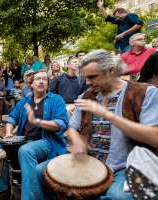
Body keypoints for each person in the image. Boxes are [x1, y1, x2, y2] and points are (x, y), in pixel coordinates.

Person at [67, 49, 158, 199]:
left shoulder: (145, 93)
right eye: (85, 78)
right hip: (89, 161)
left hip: (126, 165)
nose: (87, 82)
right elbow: (72, 128)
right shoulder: (86, 96)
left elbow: (154, 138)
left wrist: (107, 115)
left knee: (118, 197)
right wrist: (76, 139)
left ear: (111, 71)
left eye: (92, 77)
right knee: (42, 171)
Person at [0, 70, 69, 200]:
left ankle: (28, 197)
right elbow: (12, 118)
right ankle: (3, 192)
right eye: (38, 79)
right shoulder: (25, 101)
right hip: (24, 140)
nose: (41, 81)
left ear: (48, 83)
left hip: (47, 142)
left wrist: (37, 122)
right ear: (31, 84)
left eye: (44, 79)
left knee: (26, 150)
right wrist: (8, 133)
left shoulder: (56, 100)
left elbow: (61, 124)